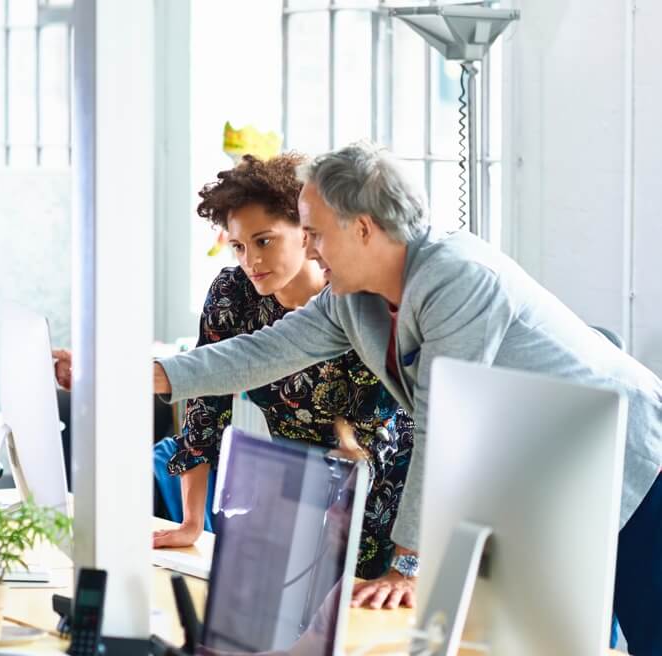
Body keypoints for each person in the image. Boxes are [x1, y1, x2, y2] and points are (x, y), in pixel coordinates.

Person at [153, 142, 662, 651]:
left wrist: (408, 561)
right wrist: (147, 375)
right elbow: (263, 353)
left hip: (632, 466)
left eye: (315, 234)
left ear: (362, 228)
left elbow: (440, 427)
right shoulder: (353, 297)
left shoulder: (456, 277)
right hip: (541, 478)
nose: (309, 250)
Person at [57, 153, 414, 582]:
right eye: (239, 246)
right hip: (298, 498)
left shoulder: (355, 297)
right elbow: (205, 406)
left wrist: (407, 562)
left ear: (307, 232)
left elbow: (407, 432)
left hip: (389, 503)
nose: (251, 261)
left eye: (265, 241)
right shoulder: (234, 296)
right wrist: (192, 521)